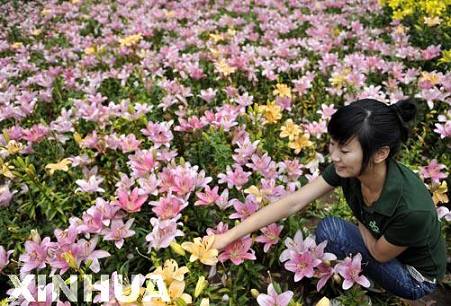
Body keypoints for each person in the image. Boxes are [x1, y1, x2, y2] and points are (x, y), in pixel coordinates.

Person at [211, 98, 447, 300]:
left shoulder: (412, 209)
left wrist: (362, 222)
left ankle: (365, 285)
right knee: (328, 231)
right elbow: (294, 202)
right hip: (386, 245)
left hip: (415, 277)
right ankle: (362, 277)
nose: (334, 156)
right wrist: (228, 237)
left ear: (380, 154)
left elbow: (378, 253)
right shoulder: (351, 167)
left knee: (332, 231)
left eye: (344, 150)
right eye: (333, 144)